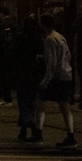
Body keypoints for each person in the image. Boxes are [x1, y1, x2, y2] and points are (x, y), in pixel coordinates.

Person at [36, 12, 76, 147]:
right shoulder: (61, 37)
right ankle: (70, 135)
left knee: (40, 102)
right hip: (66, 74)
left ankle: (38, 133)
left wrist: (45, 81)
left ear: (43, 24)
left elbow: (51, 64)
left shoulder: (49, 39)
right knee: (65, 106)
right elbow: (68, 55)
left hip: (56, 77)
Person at [11, 15, 45, 141]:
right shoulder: (38, 38)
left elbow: (14, 53)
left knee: (23, 99)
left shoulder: (20, 37)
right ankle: (28, 126)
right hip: (34, 72)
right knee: (32, 99)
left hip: (22, 71)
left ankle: (26, 123)